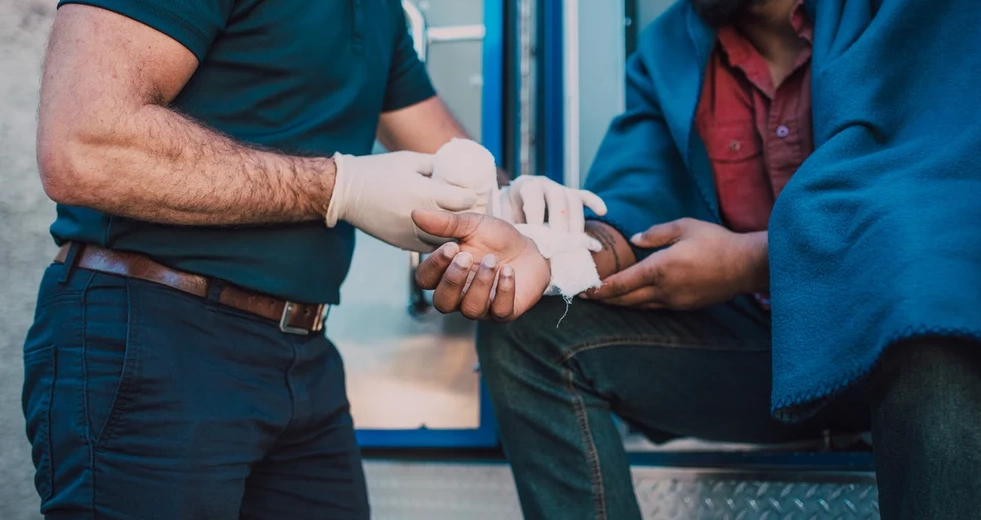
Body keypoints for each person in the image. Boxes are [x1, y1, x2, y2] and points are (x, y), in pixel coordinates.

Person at [413, 0, 981, 518]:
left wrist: (749, 262)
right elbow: (632, 210)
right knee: (529, 334)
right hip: (767, 363)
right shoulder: (669, 48)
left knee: (936, 319)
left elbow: (948, 198)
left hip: (906, 340)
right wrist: (550, 252)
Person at [21, 2, 601, 519]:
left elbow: (446, 159)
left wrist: (511, 206)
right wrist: (337, 188)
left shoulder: (379, 15)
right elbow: (82, 144)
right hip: (154, 334)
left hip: (303, 357)